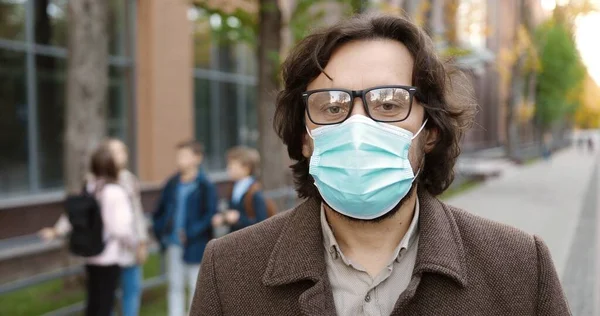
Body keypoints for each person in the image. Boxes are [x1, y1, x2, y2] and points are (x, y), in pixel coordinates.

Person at [190, 14, 570, 316]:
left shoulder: (519, 268)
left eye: (389, 104)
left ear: (431, 130)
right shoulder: (230, 271)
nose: (358, 126)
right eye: (332, 106)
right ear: (305, 138)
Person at [40, 139, 148, 316]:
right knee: (104, 299)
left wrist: (141, 242)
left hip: (123, 250)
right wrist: (57, 230)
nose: (123, 155)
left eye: (123, 151)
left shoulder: (128, 180)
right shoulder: (95, 184)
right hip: (110, 250)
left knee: (128, 291)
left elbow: (137, 213)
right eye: (117, 152)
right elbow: (79, 213)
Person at [152, 141, 218, 316]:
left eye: (184, 155)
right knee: (174, 285)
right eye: (178, 155)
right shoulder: (172, 183)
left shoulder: (205, 185)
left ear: (197, 158)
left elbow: (210, 214)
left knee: (195, 287)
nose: (179, 159)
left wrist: (191, 232)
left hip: (196, 244)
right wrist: (161, 231)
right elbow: (160, 210)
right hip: (173, 244)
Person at [211, 146, 268, 232]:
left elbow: (262, 222)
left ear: (246, 168)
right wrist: (223, 218)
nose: (228, 169)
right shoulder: (233, 188)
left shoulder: (255, 192)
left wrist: (239, 218)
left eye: (232, 165)